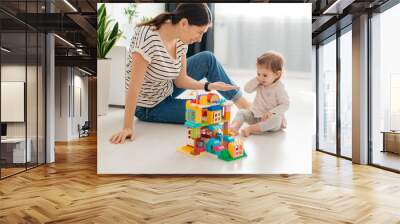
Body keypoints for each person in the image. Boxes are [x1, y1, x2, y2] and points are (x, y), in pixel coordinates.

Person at [110, 3, 250, 144]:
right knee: (211, 112)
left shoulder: (181, 39)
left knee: (208, 58)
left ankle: (246, 107)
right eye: (200, 32)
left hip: (167, 87)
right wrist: (127, 127)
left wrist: (209, 86)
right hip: (149, 106)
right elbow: (134, 87)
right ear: (184, 23)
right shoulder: (147, 38)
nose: (200, 39)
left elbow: (181, 80)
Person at [230, 51, 289, 137]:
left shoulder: (278, 88)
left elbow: (285, 104)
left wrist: (272, 113)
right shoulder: (260, 82)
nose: (261, 77)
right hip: (255, 116)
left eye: (265, 75)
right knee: (242, 112)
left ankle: (251, 129)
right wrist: (256, 79)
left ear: (277, 74)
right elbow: (247, 89)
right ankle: (234, 127)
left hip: (269, 119)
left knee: (277, 120)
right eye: (258, 74)